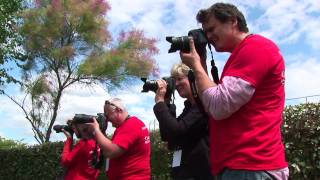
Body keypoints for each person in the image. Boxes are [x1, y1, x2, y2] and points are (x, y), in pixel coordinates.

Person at [180, 2, 289, 180]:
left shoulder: (256, 48)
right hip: (244, 167)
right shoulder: (240, 56)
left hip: (251, 166)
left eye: (212, 29)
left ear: (232, 21)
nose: (208, 37)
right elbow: (210, 103)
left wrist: (195, 66)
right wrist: (201, 64)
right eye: (205, 32)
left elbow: (218, 107)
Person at [153, 62, 213, 180]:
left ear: (192, 78)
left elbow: (177, 130)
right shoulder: (188, 108)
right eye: (174, 81)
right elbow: (167, 135)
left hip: (200, 173)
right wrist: (166, 104)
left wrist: (159, 103)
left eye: (180, 79)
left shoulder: (202, 105)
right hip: (185, 173)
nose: (176, 84)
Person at [86, 98, 151, 180]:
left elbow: (111, 152)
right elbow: (108, 149)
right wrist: (101, 132)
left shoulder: (131, 125)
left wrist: (96, 130)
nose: (107, 119)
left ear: (119, 110)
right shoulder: (126, 126)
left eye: (108, 115)